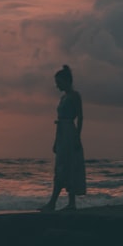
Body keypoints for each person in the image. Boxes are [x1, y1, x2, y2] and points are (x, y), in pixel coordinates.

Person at [40, 64, 86, 212]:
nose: (57, 86)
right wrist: (55, 141)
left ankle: (64, 203)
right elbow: (59, 120)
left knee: (68, 166)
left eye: (59, 82)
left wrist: (77, 138)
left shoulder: (75, 96)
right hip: (61, 133)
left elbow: (80, 117)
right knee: (61, 167)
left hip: (69, 133)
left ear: (66, 81)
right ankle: (56, 203)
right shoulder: (63, 97)